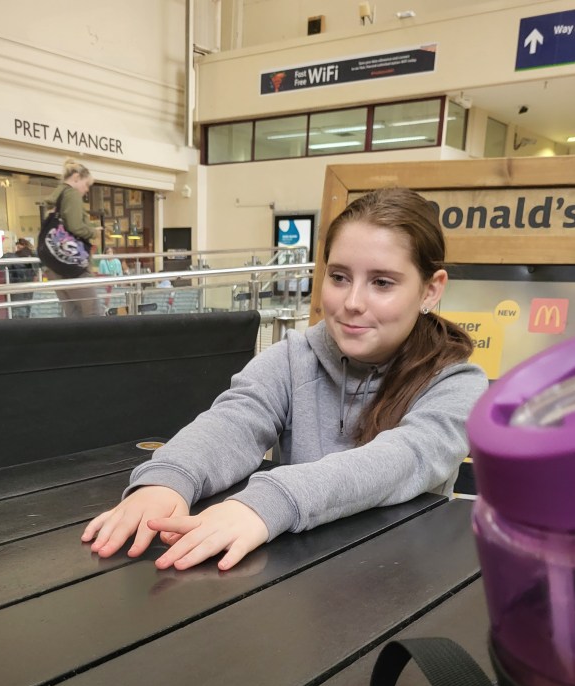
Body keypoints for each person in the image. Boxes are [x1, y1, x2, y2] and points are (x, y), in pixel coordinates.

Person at [81, 187, 489, 572]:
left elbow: (400, 460)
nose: (352, 302)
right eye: (339, 277)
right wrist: (168, 481)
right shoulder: (293, 359)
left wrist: (269, 502)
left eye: (382, 283)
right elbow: (233, 423)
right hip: (294, 582)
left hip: (401, 582)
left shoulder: (456, 384)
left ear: (430, 290)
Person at [43, 158, 101, 317]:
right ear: (76, 178)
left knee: (73, 314)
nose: (86, 190)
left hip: (54, 264)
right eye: (86, 184)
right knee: (93, 313)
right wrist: (93, 232)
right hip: (72, 265)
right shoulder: (71, 194)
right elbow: (75, 226)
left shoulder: (57, 195)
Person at [1, 238, 37, 317]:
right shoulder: (32, 257)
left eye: (19, 245)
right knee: (25, 310)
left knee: (15, 311)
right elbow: (35, 275)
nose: (18, 247)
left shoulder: (12, 257)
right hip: (27, 290)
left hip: (16, 289)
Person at [98, 245, 123, 312]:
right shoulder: (102, 262)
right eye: (108, 252)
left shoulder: (117, 261)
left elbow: (120, 274)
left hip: (116, 285)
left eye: (111, 252)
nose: (110, 254)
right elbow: (100, 275)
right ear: (105, 254)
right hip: (106, 286)